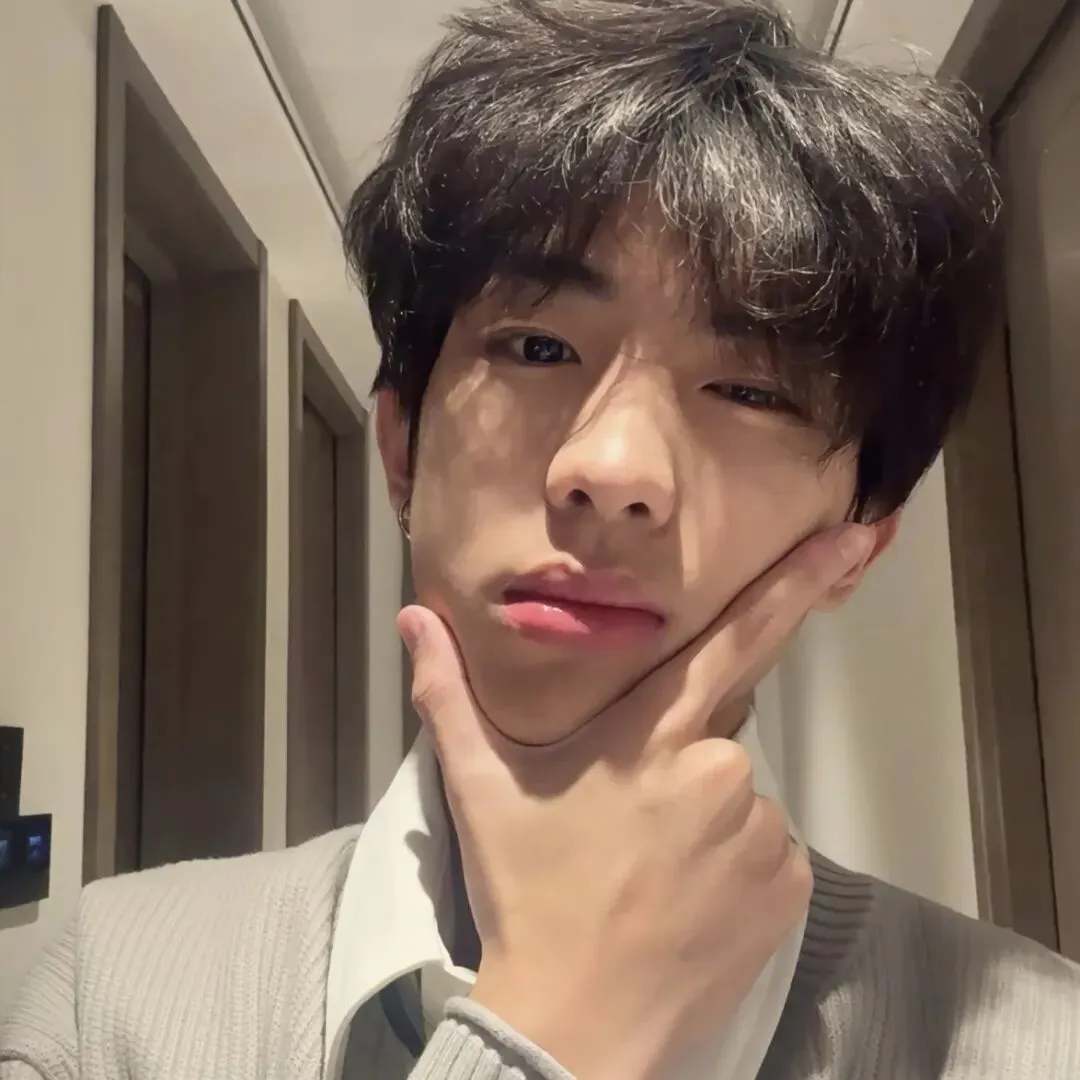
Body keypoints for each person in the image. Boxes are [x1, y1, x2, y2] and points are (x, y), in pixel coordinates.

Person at [4, 0, 1080, 1077]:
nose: (611, 470)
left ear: (858, 542)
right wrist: (555, 1032)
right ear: (401, 449)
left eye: (752, 390)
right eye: (537, 346)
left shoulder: (1036, 1042)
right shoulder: (112, 998)